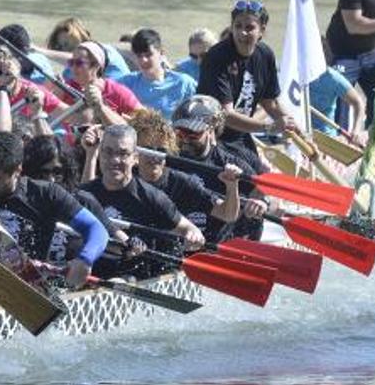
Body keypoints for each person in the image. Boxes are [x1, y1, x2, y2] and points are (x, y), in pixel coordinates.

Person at [0, 132, 106, 288]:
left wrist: (85, 260)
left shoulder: (45, 194)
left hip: (30, 287)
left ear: (17, 170)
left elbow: (96, 228)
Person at [79, 124, 205, 278]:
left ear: (135, 158)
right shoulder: (85, 193)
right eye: (108, 152)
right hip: (88, 276)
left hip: (135, 278)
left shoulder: (152, 197)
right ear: (100, 154)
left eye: (123, 154)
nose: (115, 160)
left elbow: (189, 229)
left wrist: (193, 236)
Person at [197, 0, 296, 169]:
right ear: (232, 27)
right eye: (238, 26)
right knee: (249, 180)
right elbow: (225, 115)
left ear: (262, 30)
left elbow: (270, 103)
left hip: (240, 135)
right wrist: (270, 127)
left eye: (249, 28)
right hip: (210, 136)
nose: (242, 33)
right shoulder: (216, 57)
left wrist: (296, 129)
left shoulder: (265, 55)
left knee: (259, 175)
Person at [128, 109, 242, 244]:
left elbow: (227, 215)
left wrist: (232, 186)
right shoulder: (123, 177)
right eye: (148, 149)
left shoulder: (182, 183)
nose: (155, 156)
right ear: (135, 150)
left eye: (161, 150)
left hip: (168, 251)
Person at [170, 95, 266, 240]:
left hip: (214, 242)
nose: (186, 140)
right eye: (180, 133)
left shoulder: (231, 163)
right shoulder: (168, 159)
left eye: (193, 134)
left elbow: (260, 192)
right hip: (177, 239)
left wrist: (259, 204)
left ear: (211, 130)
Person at [117, 28, 197, 116]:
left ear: (161, 53)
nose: (144, 60)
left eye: (148, 55)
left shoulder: (183, 84)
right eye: (139, 56)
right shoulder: (126, 84)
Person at [66, 41, 141, 125]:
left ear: (96, 66)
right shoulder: (66, 88)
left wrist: (100, 106)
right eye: (71, 62)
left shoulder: (117, 91)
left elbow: (144, 122)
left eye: (79, 63)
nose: (73, 68)